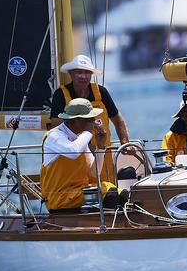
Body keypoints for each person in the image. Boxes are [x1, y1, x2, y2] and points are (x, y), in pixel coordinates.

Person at [49, 54, 131, 185]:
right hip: (77, 155)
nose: (83, 76)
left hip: (103, 151)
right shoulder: (61, 94)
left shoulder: (101, 92)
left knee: (108, 188)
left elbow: (117, 119)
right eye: (79, 72)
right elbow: (56, 126)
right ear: (71, 73)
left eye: (87, 72)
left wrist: (125, 143)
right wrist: (84, 143)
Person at [40, 98, 109, 213]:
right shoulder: (54, 136)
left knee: (119, 193)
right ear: (76, 120)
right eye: (90, 119)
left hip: (79, 194)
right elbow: (73, 152)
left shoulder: (79, 139)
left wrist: (100, 147)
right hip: (60, 199)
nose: (93, 121)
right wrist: (87, 132)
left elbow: (93, 173)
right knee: (110, 194)